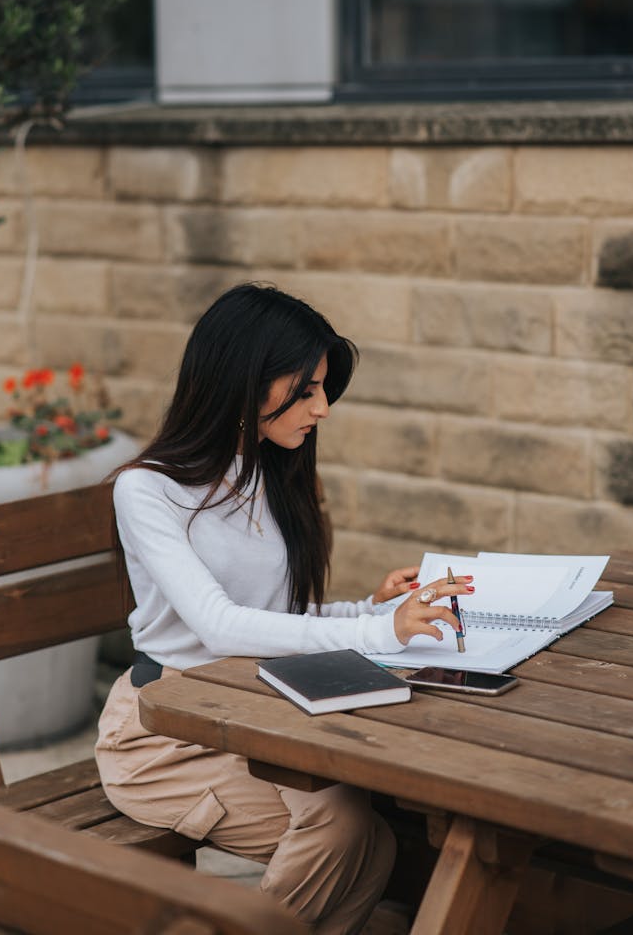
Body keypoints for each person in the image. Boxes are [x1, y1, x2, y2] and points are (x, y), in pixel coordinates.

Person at [95, 282, 472, 935]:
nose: (322, 407)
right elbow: (217, 624)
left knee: (373, 837)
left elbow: (275, 614)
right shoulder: (148, 491)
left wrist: (376, 607)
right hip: (163, 733)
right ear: (244, 379)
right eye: (306, 389)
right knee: (346, 829)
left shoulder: (272, 473)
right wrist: (377, 628)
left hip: (257, 715)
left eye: (323, 388)